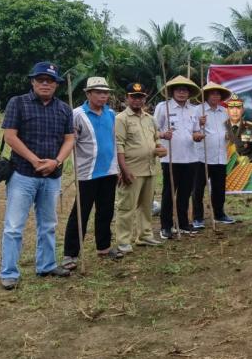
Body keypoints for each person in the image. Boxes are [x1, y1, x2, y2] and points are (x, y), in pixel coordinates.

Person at [0, 62, 75, 289]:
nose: (45, 83)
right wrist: (34, 160)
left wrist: (57, 161)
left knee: (49, 223)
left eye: (50, 80)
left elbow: (69, 139)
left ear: (56, 85)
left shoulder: (63, 109)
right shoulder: (18, 103)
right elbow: (10, 136)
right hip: (22, 174)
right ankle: (9, 272)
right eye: (40, 79)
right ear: (32, 81)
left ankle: (47, 265)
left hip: (52, 175)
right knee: (14, 226)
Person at [61, 77, 122, 270]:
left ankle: (103, 247)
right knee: (80, 213)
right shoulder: (77, 114)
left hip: (109, 170)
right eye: (98, 92)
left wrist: (118, 168)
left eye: (105, 93)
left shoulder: (111, 114)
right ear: (88, 94)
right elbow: (71, 140)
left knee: (106, 210)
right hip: (87, 171)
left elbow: (113, 141)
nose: (103, 96)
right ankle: (70, 254)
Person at [115, 83, 167, 253]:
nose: (137, 100)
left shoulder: (150, 118)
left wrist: (160, 150)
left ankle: (144, 235)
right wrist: (124, 170)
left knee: (146, 206)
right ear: (127, 98)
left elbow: (155, 140)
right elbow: (119, 146)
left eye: (140, 97)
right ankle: (123, 240)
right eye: (133, 96)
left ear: (145, 98)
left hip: (150, 168)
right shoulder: (121, 119)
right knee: (127, 206)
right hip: (132, 170)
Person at [154, 75, 204, 239]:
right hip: (171, 158)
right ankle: (166, 226)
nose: (182, 93)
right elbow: (153, 130)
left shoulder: (194, 109)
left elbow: (196, 130)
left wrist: (197, 136)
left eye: (185, 90)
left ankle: (183, 224)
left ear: (189, 93)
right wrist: (162, 134)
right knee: (169, 193)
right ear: (172, 92)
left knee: (185, 193)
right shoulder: (163, 107)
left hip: (191, 157)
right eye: (178, 90)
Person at [192, 82, 236, 227]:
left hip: (220, 155)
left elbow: (227, 130)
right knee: (198, 188)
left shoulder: (223, 111)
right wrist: (199, 123)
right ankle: (198, 217)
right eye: (212, 93)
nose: (215, 96)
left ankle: (219, 214)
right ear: (206, 95)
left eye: (218, 94)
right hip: (202, 156)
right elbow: (191, 130)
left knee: (219, 187)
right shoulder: (198, 110)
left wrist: (230, 135)